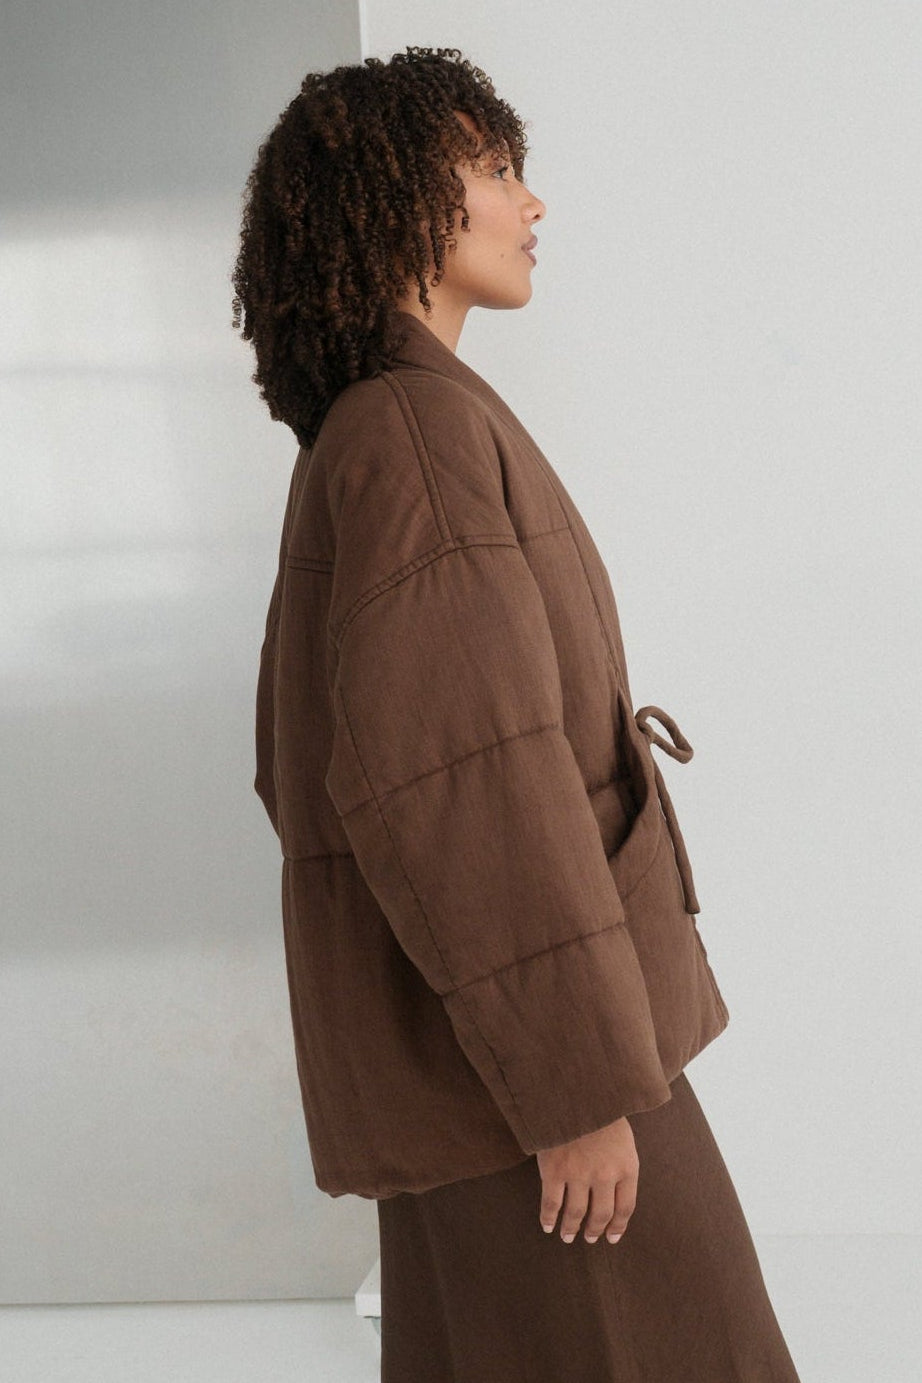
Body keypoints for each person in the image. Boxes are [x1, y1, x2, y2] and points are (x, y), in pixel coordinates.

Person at [233, 45, 803, 1382]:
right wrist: (573, 1090)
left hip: (480, 1055)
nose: (529, 204)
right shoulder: (415, 435)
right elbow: (460, 779)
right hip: (531, 1071)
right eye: (493, 171)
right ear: (393, 206)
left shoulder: (387, 428)